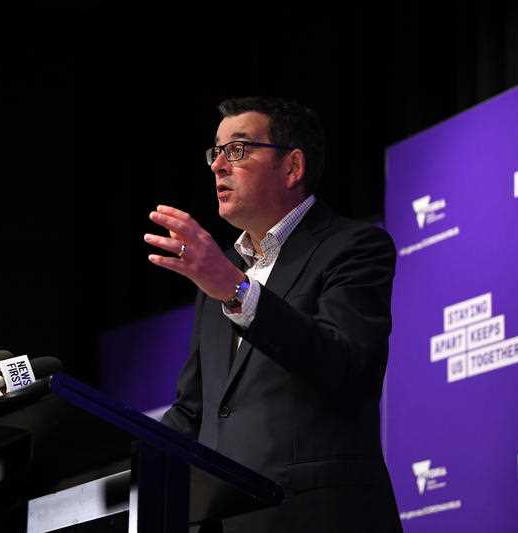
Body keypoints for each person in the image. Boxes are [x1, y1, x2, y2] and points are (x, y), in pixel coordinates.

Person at [144, 97, 402, 533]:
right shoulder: (222, 274)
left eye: (238, 149)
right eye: (216, 152)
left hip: (318, 519)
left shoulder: (353, 248)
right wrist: (107, 458)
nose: (218, 166)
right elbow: (192, 413)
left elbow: (348, 368)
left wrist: (234, 289)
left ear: (292, 167)